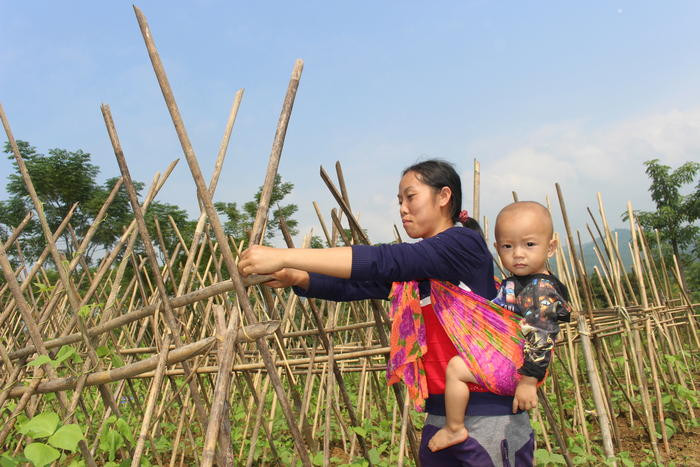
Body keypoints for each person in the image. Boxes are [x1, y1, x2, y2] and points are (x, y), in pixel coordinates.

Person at [238, 160, 535, 466]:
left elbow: (384, 260)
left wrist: (284, 255)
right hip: (442, 414)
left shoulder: (462, 244)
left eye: (411, 197)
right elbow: (357, 285)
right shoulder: (419, 269)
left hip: (489, 415)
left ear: (444, 196)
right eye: (400, 201)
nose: (403, 209)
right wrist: (296, 277)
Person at [428, 201, 572, 452]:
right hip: (510, 362)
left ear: (551, 247)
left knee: (456, 368)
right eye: (508, 246)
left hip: (517, 369)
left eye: (529, 244)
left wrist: (528, 382)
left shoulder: (541, 289)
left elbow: (542, 335)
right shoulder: (514, 283)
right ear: (496, 248)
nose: (518, 253)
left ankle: (454, 428)